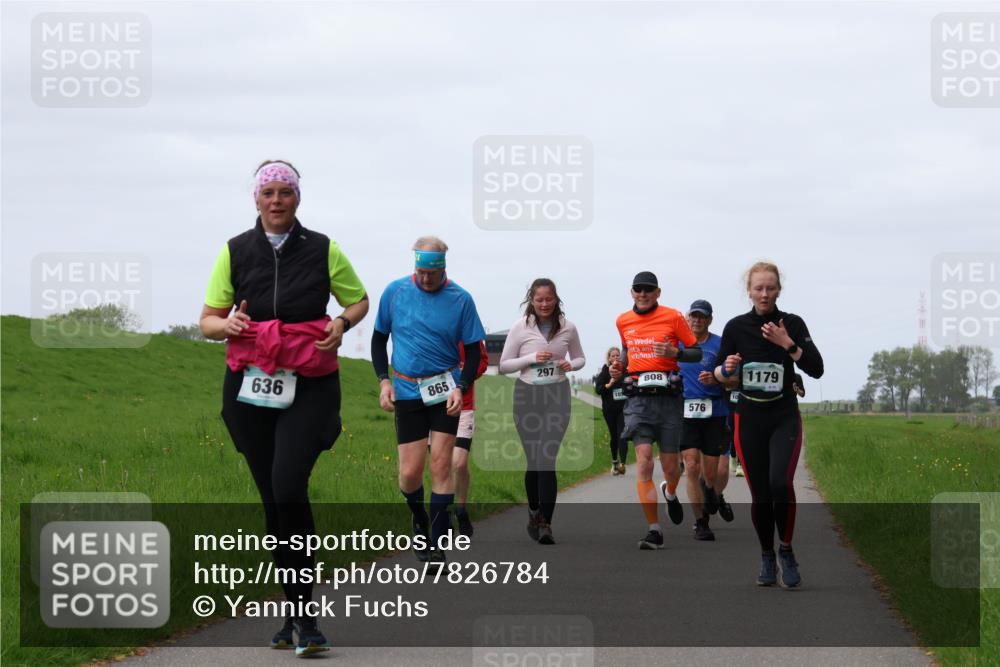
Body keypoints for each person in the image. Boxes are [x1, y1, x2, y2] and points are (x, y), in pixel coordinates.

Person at [200, 160, 369, 656]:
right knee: (273, 500)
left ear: (298, 199)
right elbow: (208, 320)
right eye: (268, 192)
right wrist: (226, 327)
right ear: (256, 199)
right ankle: (292, 613)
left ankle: (307, 619)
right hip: (250, 385)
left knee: (288, 486)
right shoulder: (234, 251)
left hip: (311, 380)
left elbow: (358, 301)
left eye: (286, 192)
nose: (277, 200)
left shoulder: (324, 249)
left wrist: (342, 324)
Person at [371, 236, 485, 568]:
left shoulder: (461, 299)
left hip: (444, 391)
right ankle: (419, 518)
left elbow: (475, 348)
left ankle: (436, 543)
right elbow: (380, 341)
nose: (425, 279)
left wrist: (461, 386)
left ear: (443, 270)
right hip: (406, 391)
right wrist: (383, 382)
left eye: (431, 274)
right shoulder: (394, 293)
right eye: (420, 272)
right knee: (409, 475)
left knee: (441, 464)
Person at [715, 261, 824, 588]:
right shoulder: (736, 327)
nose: (764, 293)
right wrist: (728, 368)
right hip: (749, 418)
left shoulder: (791, 323)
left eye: (770, 288)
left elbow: (816, 369)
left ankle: (786, 550)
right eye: (758, 288)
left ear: (779, 290)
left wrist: (786, 343)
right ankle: (766, 555)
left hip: (783, 417)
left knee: (780, 483)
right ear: (748, 291)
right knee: (761, 494)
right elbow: (720, 376)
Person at [610, 271, 702, 550]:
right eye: (638, 289)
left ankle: (670, 491)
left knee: (672, 468)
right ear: (632, 292)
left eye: (648, 289)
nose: (643, 293)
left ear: (658, 292)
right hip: (638, 401)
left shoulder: (673, 317)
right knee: (646, 460)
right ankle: (654, 529)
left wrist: (676, 354)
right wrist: (619, 367)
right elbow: (628, 353)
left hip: (669, 401)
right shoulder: (623, 320)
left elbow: (696, 353)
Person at [499, 278, 585, 545]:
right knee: (534, 461)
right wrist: (531, 359)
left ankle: (545, 523)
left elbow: (581, 357)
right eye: (539, 300)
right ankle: (534, 510)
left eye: (549, 299)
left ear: (556, 299)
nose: (545, 304)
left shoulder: (568, 328)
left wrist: (572, 364)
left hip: (557, 395)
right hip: (527, 396)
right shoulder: (520, 328)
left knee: (547, 458)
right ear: (531, 301)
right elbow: (504, 365)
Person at [677, 300, 737, 541]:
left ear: (710, 320)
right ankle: (701, 522)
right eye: (694, 316)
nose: (698, 320)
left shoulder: (720, 344)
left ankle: (714, 494)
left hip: (716, 413)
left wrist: (717, 379)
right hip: (686, 413)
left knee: (713, 474)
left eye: (703, 317)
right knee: (691, 466)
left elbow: (735, 379)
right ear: (687, 317)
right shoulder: (677, 344)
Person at [452, 339, 489, 538]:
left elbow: (482, 360)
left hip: (464, 406)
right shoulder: (428, 323)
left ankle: (461, 509)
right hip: (433, 406)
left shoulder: (468, 328)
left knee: (459, 463)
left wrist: (464, 373)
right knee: (441, 465)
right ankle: (444, 513)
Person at [594, 347, 628, 475]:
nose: (615, 358)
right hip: (609, 410)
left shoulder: (624, 370)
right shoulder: (605, 371)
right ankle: (614, 461)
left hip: (623, 409)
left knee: (622, 435)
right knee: (614, 436)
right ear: (609, 358)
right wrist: (610, 384)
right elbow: (598, 389)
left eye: (618, 355)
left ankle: (622, 464)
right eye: (613, 356)